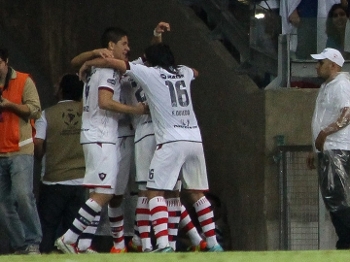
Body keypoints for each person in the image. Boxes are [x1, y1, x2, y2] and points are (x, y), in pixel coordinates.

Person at [79, 42, 224, 252]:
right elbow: (195, 72)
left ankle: (161, 244)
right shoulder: (183, 71)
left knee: (153, 191)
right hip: (194, 138)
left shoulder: (148, 73)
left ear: (149, 61)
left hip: (169, 140)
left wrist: (89, 62)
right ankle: (213, 244)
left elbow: (113, 63)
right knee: (195, 192)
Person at [54, 26, 146, 254]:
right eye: (124, 44)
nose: (128, 48)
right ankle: (69, 238)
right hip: (101, 136)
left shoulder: (95, 68)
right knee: (105, 192)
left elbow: (78, 63)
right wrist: (134, 110)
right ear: (111, 46)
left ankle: (84, 244)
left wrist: (90, 60)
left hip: (95, 135)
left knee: (101, 191)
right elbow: (105, 101)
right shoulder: (106, 72)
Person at [34, 74, 87, 253]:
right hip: (81, 181)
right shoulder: (86, 113)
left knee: (47, 229)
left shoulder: (46, 114)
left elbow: (38, 143)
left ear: (62, 90)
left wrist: (39, 156)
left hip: (53, 181)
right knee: (72, 235)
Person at [307, 47, 350, 249]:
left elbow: (347, 113)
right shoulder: (328, 86)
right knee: (333, 199)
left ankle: (347, 242)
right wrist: (314, 148)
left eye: (321, 63)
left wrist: (325, 133)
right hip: (329, 150)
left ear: (333, 65)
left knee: (338, 200)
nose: (317, 67)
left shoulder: (341, 85)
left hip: (337, 149)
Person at [0, 47, 42, 254]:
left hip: (20, 147)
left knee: (23, 195)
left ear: (6, 61)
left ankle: (33, 240)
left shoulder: (24, 80)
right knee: (2, 204)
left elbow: (35, 109)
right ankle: (20, 245)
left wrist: (10, 105)